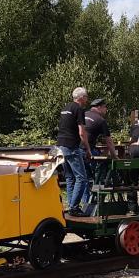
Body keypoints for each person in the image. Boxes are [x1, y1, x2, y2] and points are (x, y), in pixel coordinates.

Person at [56, 87, 90, 217]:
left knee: (70, 178)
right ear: (81, 98)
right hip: (71, 147)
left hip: (60, 145)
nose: (87, 100)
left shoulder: (65, 108)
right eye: (86, 97)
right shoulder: (79, 109)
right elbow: (82, 132)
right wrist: (87, 148)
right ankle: (74, 208)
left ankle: (71, 205)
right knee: (82, 178)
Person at [83, 98, 117, 213]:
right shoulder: (100, 120)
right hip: (87, 151)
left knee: (81, 179)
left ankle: (84, 204)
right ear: (99, 107)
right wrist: (115, 156)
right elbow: (109, 141)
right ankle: (98, 193)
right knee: (99, 171)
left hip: (75, 149)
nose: (106, 109)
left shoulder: (83, 114)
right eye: (105, 107)